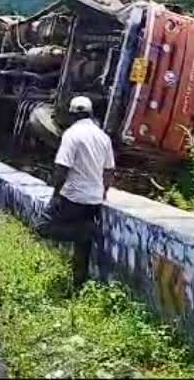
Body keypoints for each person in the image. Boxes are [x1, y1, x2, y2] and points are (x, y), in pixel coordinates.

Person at [35, 95, 116, 288]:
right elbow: (109, 170)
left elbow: (62, 168)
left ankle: (84, 233)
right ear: (90, 114)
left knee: (43, 227)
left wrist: (56, 195)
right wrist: (102, 192)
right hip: (94, 201)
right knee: (82, 250)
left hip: (73, 197)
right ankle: (78, 285)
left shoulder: (71, 134)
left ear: (72, 115)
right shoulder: (103, 137)